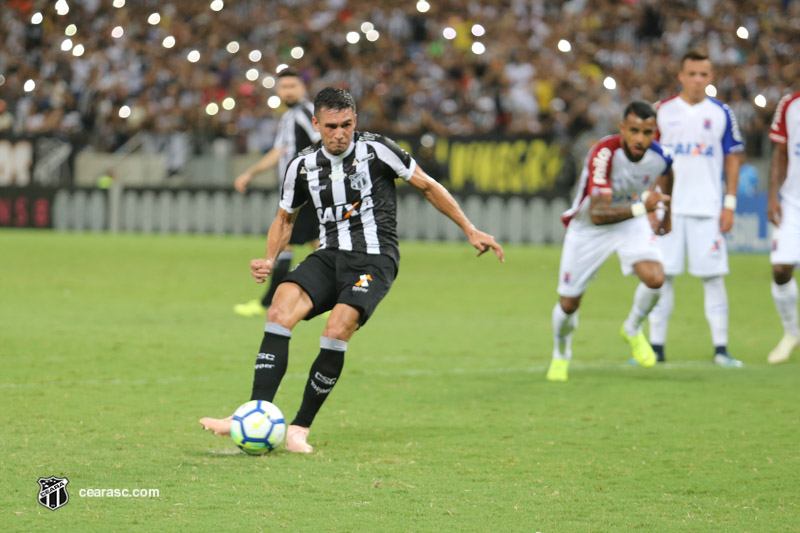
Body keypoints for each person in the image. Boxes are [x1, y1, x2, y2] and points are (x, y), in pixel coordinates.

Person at [201, 87, 504, 452]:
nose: (340, 133)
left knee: (338, 325)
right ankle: (253, 412)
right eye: (331, 126)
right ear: (316, 124)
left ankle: (299, 428)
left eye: (347, 124)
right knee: (279, 308)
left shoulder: (378, 150)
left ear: (355, 121)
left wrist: (470, 228)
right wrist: (269, 258)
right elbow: (285, 218)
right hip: (329, 255)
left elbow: (427, 185)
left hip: (374, 259)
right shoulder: (303, 164)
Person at [547, 101, 673, 382]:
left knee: (655, 279)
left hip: (630, 222)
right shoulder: (604, 153)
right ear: (622, 129)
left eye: (648, 132)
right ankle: (561, 353)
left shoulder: (661, 156)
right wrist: (646, 208)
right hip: (589, 228)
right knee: (568, 303)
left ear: (655, 133)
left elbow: (668, 175)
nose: (640, 139)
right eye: (635, 131)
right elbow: (599, 214)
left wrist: (666, 215)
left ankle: (631, 328)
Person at [647, 50, 745, 367]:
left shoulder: (721, 113)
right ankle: (656, 348)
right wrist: (650, 203)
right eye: (692, 74)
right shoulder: (661, 111)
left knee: (714, 278)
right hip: (668, 209)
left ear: (711, 77)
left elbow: (732, 159)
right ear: (681, 76)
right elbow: (648, 161)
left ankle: (721, 349)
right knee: (662, 277)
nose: (698, 80)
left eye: (704, 74)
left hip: (707, 207)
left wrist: (729, 204)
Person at [233, 69, 322, 318]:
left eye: (294, 85)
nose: (289, 91)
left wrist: (310, 176)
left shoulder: (306, 113)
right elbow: (277, 152)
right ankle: (336, 298)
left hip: (305, 189)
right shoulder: (288, 117)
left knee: (285, 243)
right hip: (298, 190)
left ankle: (267, 302)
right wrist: (250, 173)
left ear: (303, 88)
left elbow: (323, 141)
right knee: (317, 244)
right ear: (278, 91)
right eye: (284, 87)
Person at [766, 90, 800, 364]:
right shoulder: (790, 104)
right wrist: (772, 195)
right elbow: (779, 153)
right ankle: (792, 333)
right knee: (780, 269)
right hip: (793, 203)